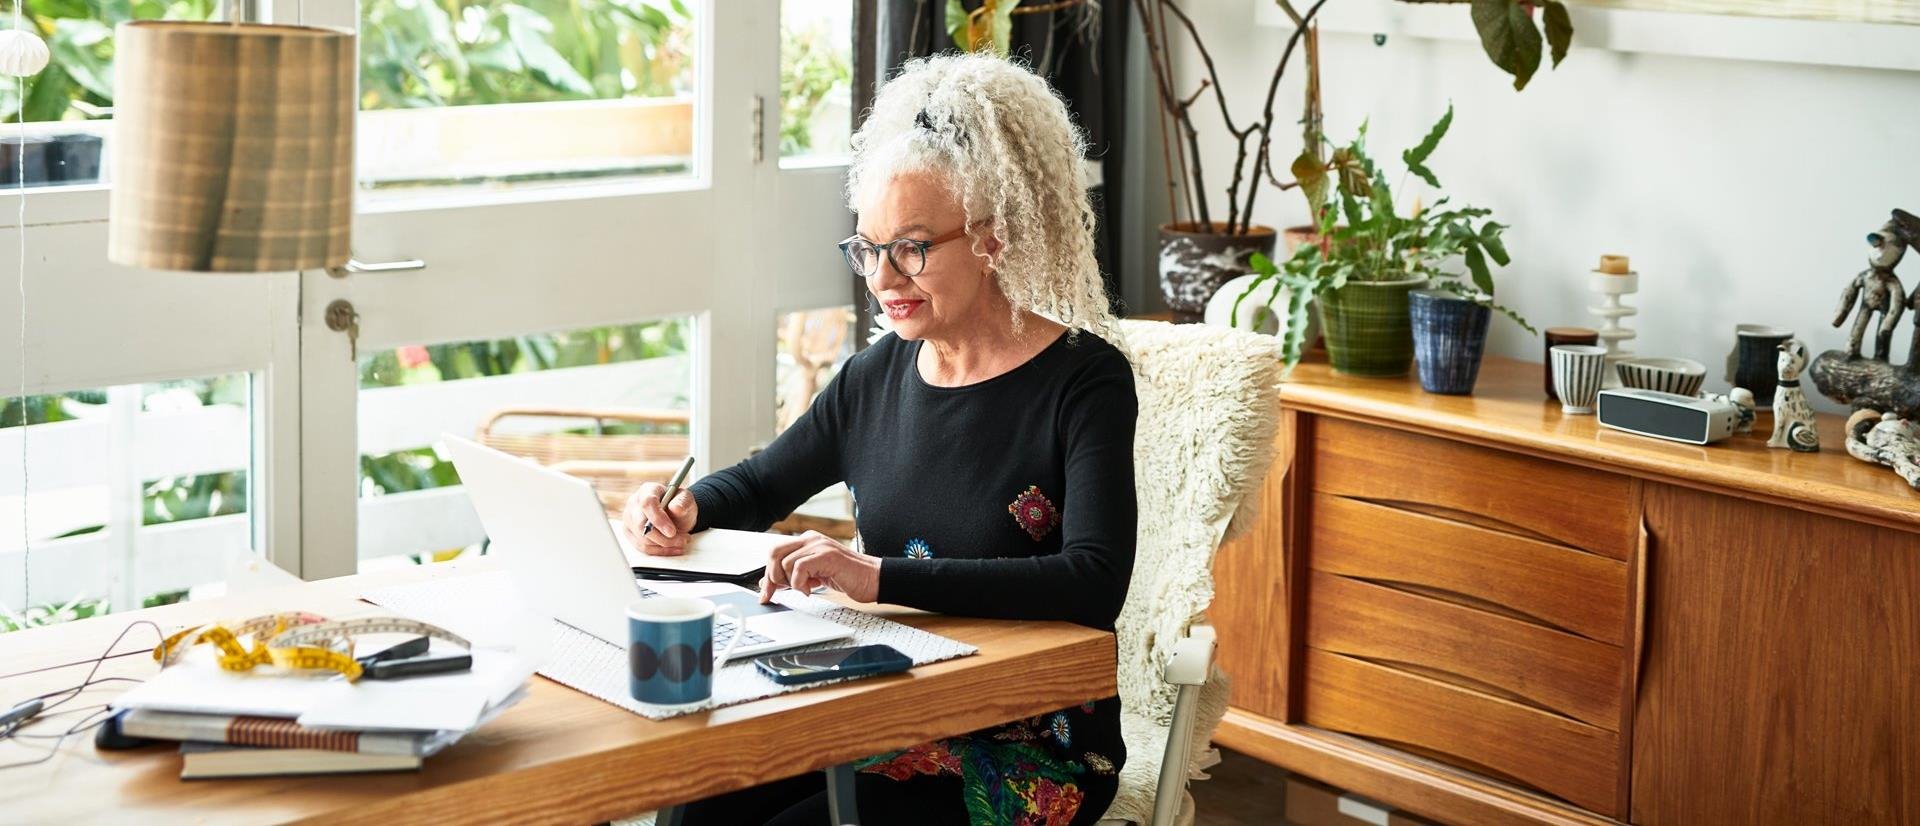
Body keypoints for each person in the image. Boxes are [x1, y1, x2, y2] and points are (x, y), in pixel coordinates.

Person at [622, 51, 1136, 826]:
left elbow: (1094, 581)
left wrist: (874, 577)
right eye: (868, 248)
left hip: (1027, 743)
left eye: (913, 246)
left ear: (993, 238)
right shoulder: (875, 376)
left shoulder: (1083, 381)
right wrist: (686, 506)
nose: (884, 279)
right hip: (885, 707)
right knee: (697, 805)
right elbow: (762, 484)